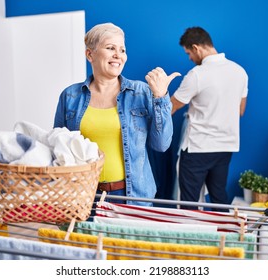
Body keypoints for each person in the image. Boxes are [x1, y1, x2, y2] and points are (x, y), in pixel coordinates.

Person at [53, 22, 180, 206]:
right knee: (83, 237)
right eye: (110, 48)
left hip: (132, 198)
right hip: (83, 196)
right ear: (90, 54)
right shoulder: (70, 96)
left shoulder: (141, 92)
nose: (117, 55)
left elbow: (161, 145)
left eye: (122, 50)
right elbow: (58, 148)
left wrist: (160, 98)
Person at [171, 26, 248, 211]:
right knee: (219, 197)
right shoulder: (240, 72)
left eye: (189, 53)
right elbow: (240, 111)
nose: (190, 58)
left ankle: (191, 239)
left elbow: (170, 107)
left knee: (189, 203)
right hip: (225, 147)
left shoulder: (197, 74)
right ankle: (222, 238)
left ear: (196, 48)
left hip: (198, 147)